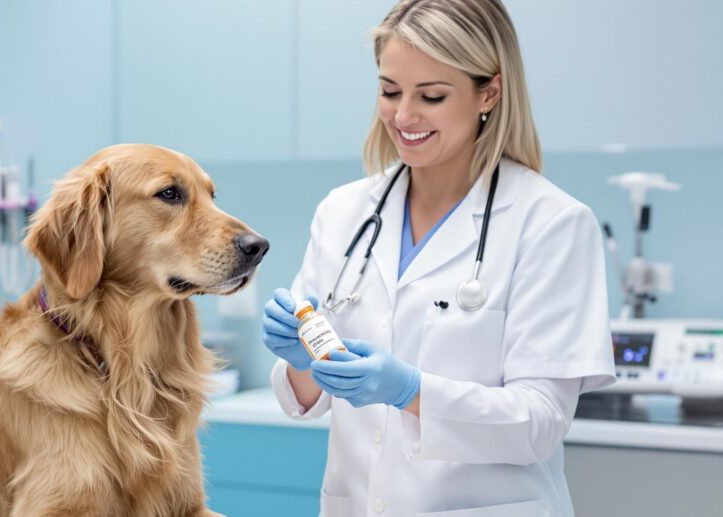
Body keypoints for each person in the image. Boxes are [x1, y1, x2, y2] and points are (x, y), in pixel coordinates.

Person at [261, 1, 616, 515]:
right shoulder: (343, 212)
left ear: (488, 92)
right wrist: (299, 362)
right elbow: (304, 397)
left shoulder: (551, 223)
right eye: (389, 91)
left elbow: (539, 424)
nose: (404, 116)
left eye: (431, 96)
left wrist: (410, 390)